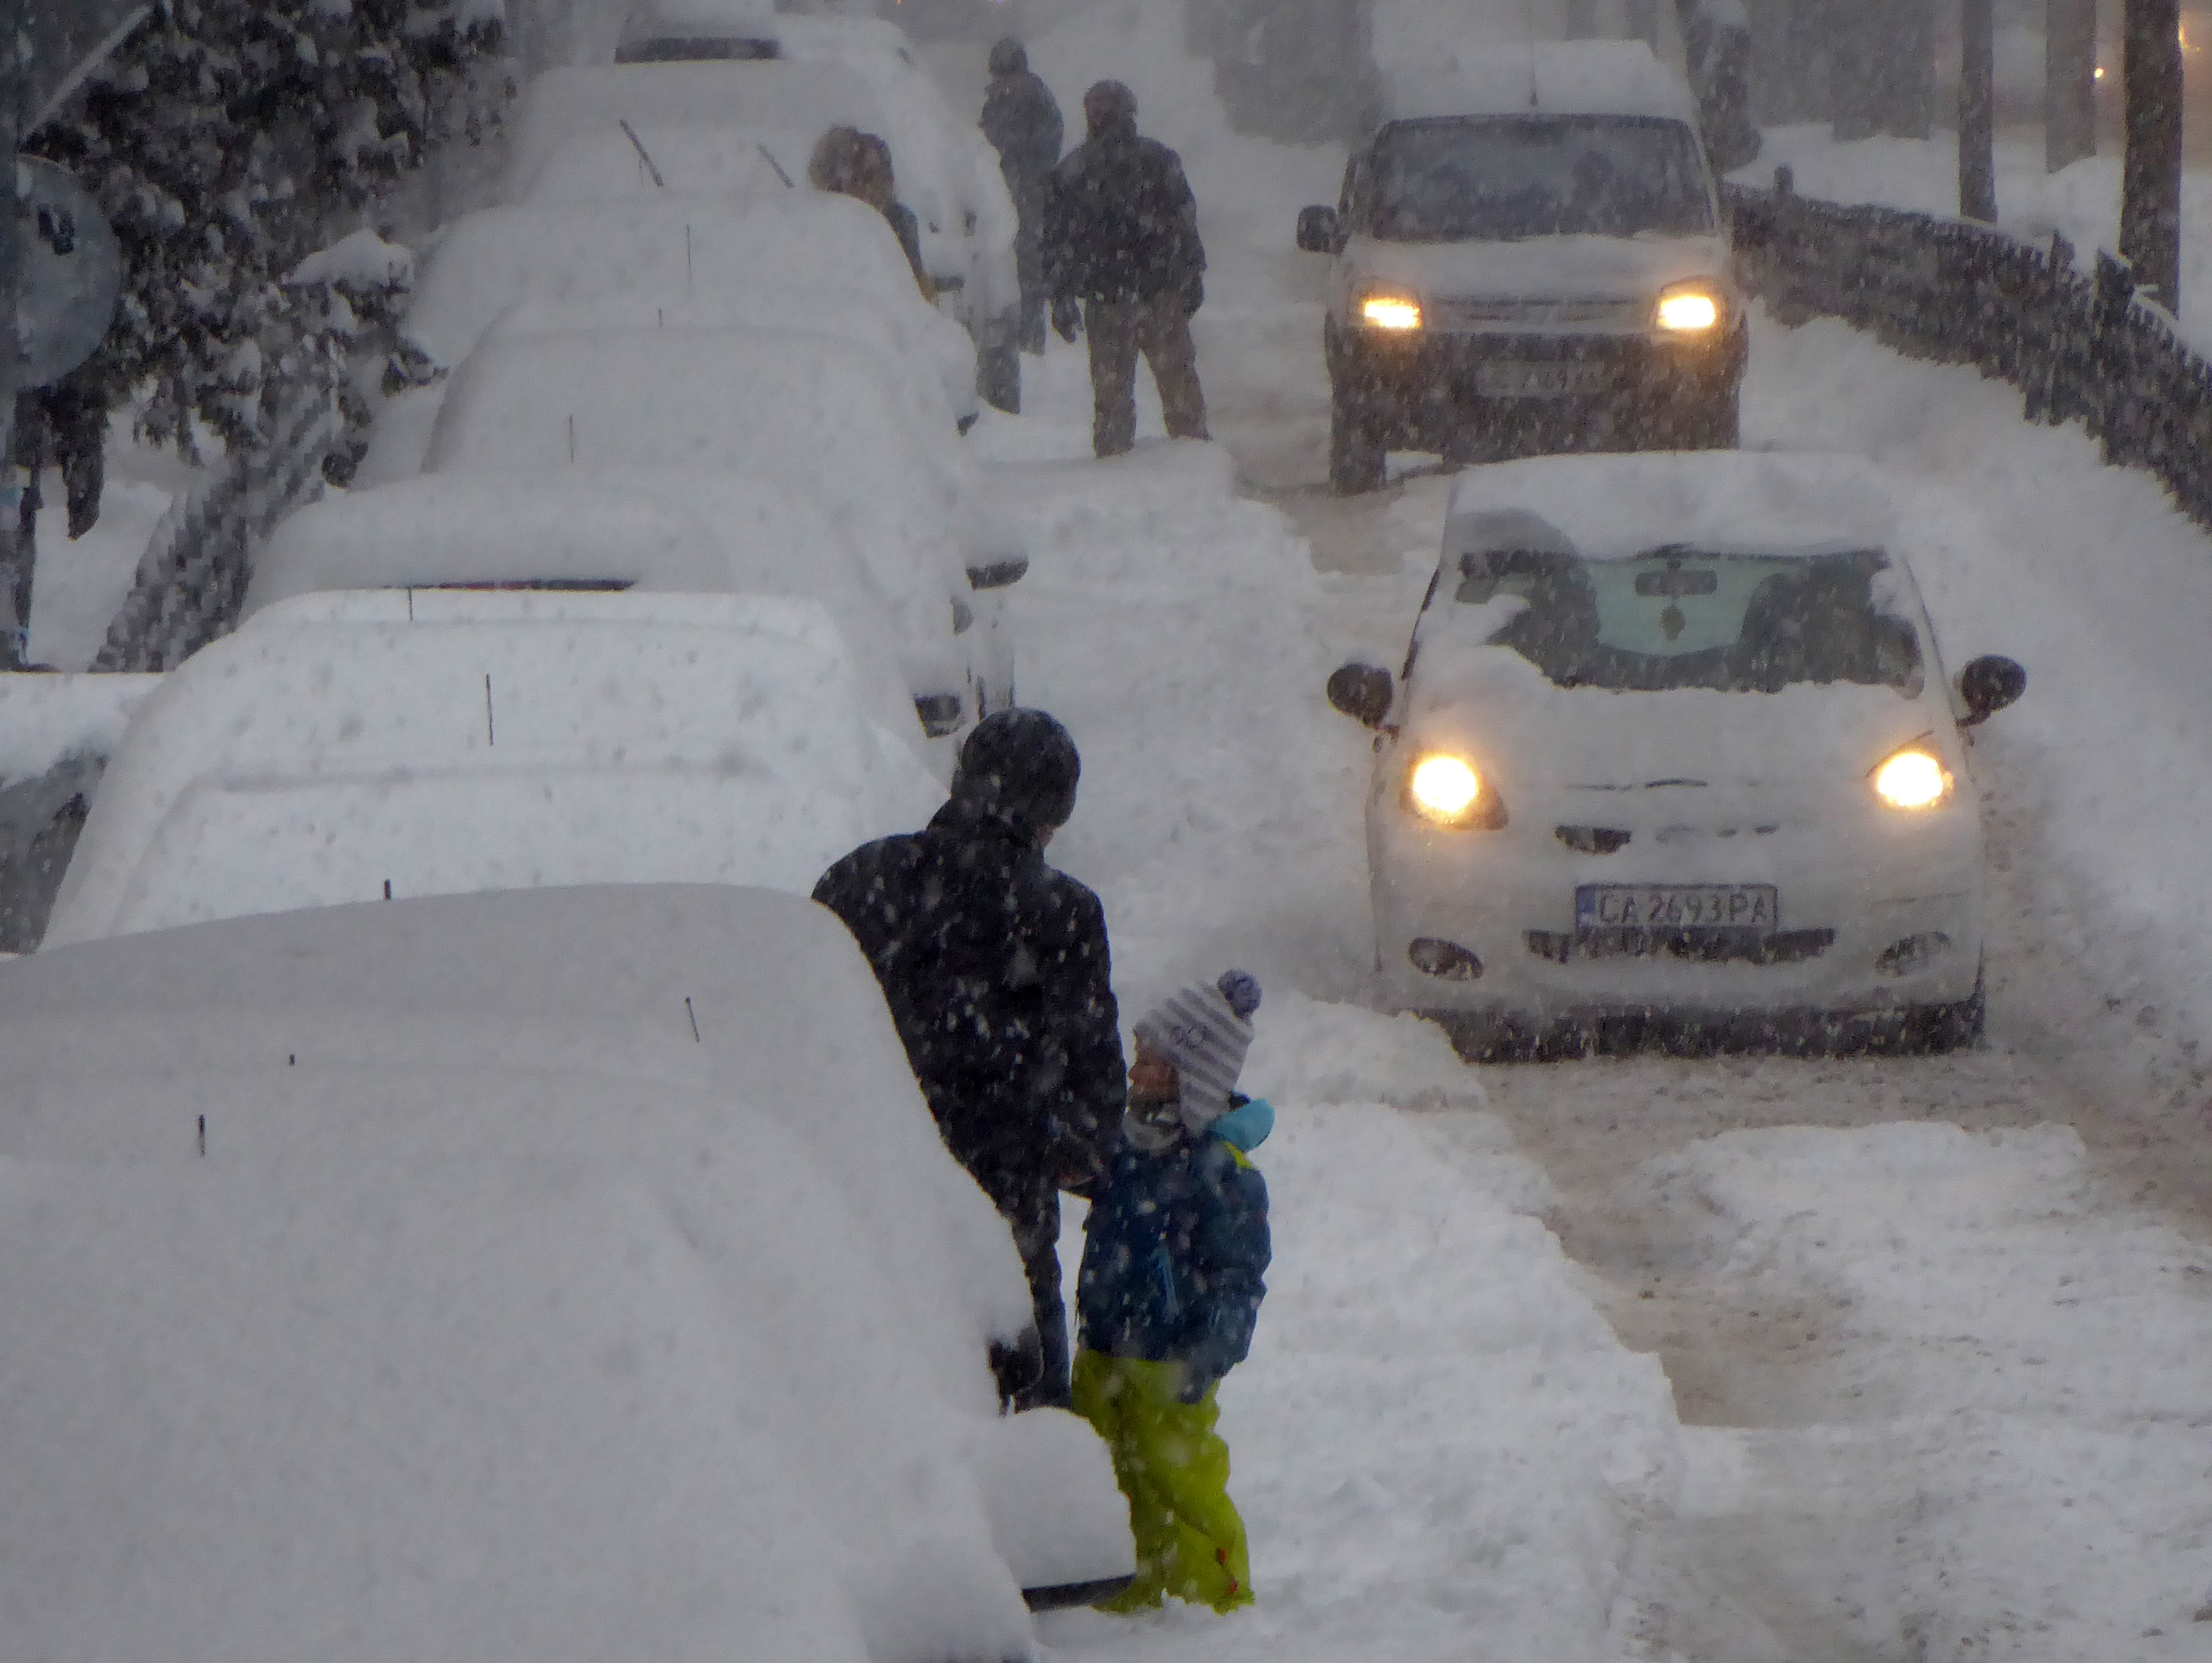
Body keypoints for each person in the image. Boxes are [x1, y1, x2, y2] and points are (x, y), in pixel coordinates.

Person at [812, 710, 1125, 1410]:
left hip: (866, 1199)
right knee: (1024, 1422)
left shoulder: (857, 882)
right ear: (1051, 813)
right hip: (1003, 1219)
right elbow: (1092, 1085)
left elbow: (805, 1025)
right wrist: (1072, 1149)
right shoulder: (1063, 915)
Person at [1073, 971, 1271, 1614]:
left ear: (1193, 1078)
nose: (1136, 1075)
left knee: (1180, 1475)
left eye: (1155, 1065)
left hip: (1172, 1354)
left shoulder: (1221, 1173)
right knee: (1109, 1474)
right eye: (1139, 1059)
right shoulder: (1123, 1145)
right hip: (1105, 1340)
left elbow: (1240, 1275)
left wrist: (1208, 1353)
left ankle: (1216, 1599)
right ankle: (1127, 1587)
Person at [1043, 79, 1209, 458]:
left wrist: (1062, 296)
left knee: (1113, 403)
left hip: (1111, 298)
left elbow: (1057, 242)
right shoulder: (1158, 161)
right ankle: (1193, 465)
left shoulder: (1073, 170)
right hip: (1156, 294)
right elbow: (1184, 222)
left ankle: (1120, 468)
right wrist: (1191, 275)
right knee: (1178, 394)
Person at [979, 38, 1063, 354]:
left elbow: (1046, 145)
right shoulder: (1002, 101)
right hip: (1011, 191)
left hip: (1027, 192)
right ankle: (1023, 333)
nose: (1002, 82)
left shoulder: (1035, 100)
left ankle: (1031, 336)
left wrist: (1013, 155)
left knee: (1027, 263)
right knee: (1016, 263)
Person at [808, 125, 935, 301]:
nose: (868, 187)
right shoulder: (816, 227)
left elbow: (920, 300)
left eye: (874, 177)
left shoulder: (900, 222)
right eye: (860, 179)